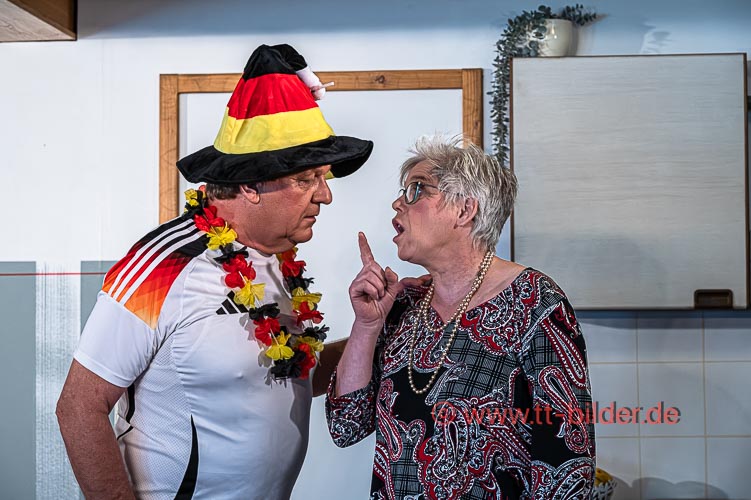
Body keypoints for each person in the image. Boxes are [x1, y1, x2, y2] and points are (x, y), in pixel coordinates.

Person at [56, 44, 373, 500]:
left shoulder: (278, 259)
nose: (325, 195)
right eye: (307, 179)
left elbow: (290, 374)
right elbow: (79, 407)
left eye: (324, 177)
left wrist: (378, 330)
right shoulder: (162, 265)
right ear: (250, 184)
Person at [326, 136, 595, 499]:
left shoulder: (536, 302)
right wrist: (366, 325)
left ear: (465, 210)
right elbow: (346, 426)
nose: (397, 203)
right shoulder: (405, 305)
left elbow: (568, 465)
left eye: (416, 190)